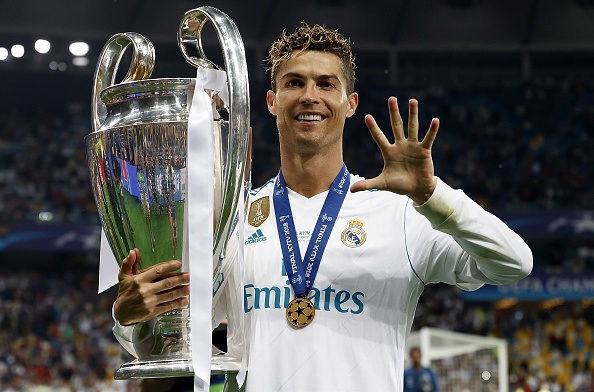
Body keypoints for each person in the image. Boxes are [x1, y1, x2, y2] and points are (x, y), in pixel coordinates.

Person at [112, 23, 533, 391]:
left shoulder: (400, 215)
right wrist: (131, 320)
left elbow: (514, 264)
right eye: (294, 83)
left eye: (326, 84)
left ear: (349, 104)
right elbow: (173, 348)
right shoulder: (232, 220)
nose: (309, 96)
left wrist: (432, 195)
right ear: (272, 101)